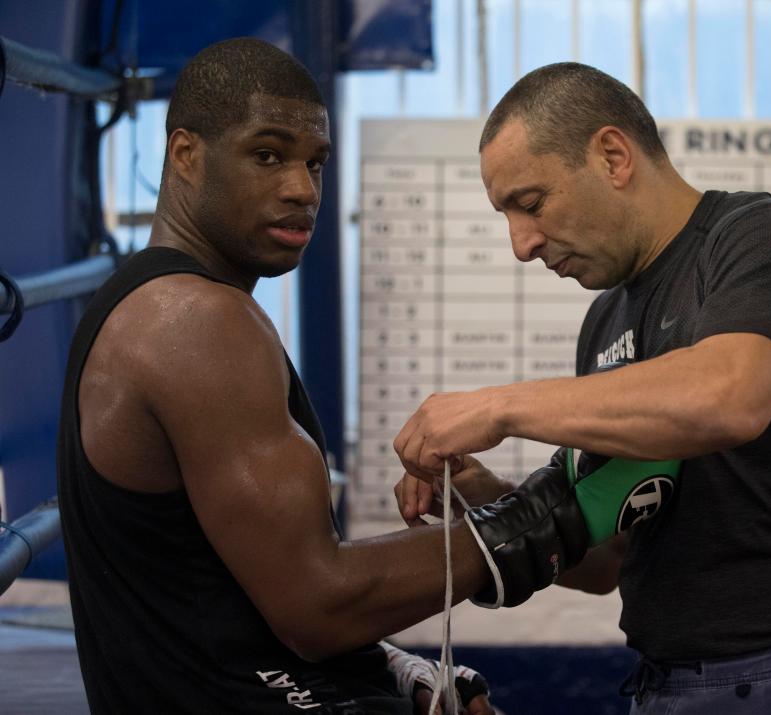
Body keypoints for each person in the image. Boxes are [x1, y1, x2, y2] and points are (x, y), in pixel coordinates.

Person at [394, 62, 771, 714]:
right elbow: (606, 559)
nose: (521, 244)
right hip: (667, 680)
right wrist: (479, 491)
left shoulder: (762, 239)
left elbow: (731, 396)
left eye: (530, 203)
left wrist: (497, 406)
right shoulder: (606, 322)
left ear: (613, 155)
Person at [57, 38, 514, 715]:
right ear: (185, 154)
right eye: (267, 154)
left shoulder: (155, 304)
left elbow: (219, 587)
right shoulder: (197, 321)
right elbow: (317, 603)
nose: (302, 188)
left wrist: (393, 666)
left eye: (315, 162)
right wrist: (536, 522)